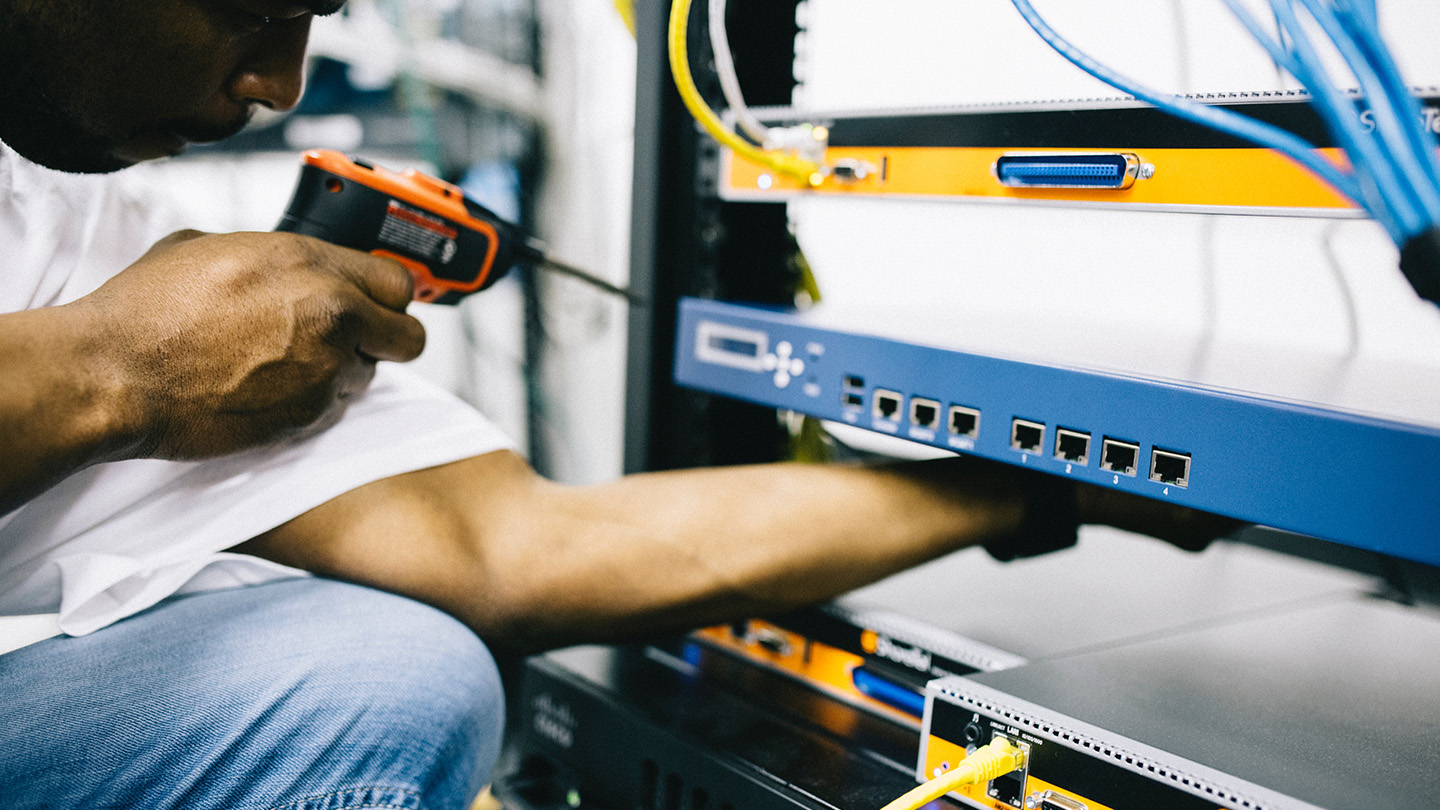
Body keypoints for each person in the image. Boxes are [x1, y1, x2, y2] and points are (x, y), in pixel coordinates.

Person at [0, 2, 1234, 809]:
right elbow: (124, 358)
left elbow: (512, 547)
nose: (275, 83)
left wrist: (1025, 481)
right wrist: (117, 369)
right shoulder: (126, 310)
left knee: (380, 666)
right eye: (254, 9)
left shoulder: (73, 226)